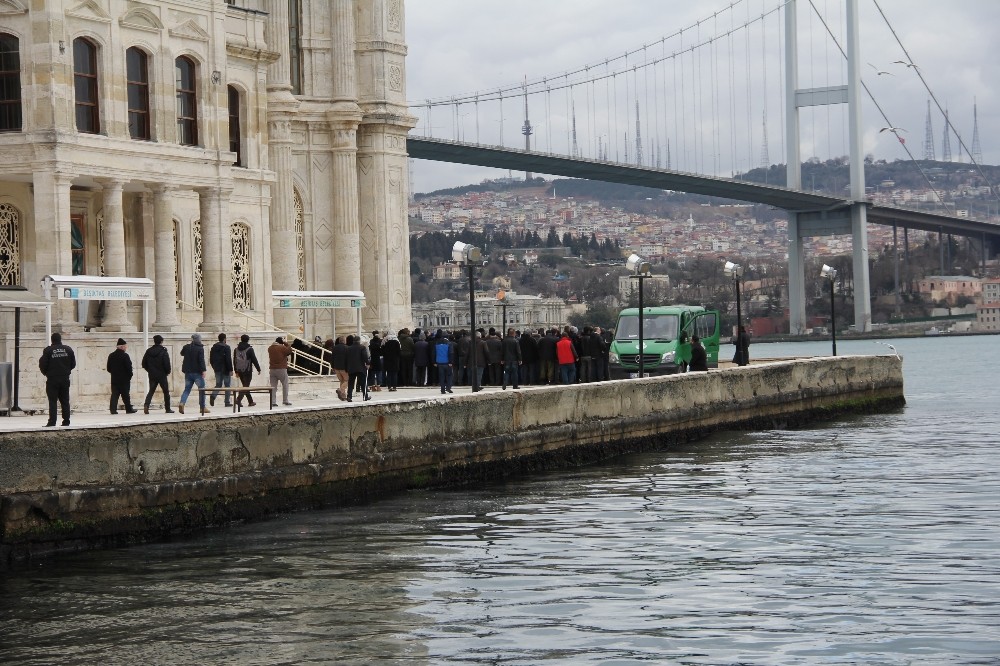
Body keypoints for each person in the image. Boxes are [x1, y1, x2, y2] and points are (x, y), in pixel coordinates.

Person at [39, 331, 76, 427]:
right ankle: (66, 421)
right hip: (64, 378)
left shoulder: (48, 350)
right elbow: (73, 364)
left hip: (52, 379)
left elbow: (43, 364)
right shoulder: (68, 349)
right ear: (60, 339)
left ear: (52, 340)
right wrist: (66, 371)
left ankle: (52, 422)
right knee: (65, 400)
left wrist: (46, 373)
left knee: (52, 401)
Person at [141, 334, 173, 414]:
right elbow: (166, 364)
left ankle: (146, 405)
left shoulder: (149, 351)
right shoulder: (163, 351)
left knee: (151, 391)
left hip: (152, 374)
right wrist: (167, 372)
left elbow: (143, 363)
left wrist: (149, 370)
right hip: (162, 375)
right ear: (161, 341)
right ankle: (168, 408)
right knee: (166, 392)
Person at [105, 338, 137, 415]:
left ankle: (113, 410)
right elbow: (129, 368)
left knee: (115, 394)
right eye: (125, 346)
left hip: (114, 378)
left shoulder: (111, 355)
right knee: (125, 394)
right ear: (122, 347)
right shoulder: (125, 356)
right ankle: (128, 409)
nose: (126, 348)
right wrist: (129, 376)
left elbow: (108, 368)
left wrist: (114, 373)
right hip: (124, 379)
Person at [178, 333, 208, 415]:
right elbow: (201, 360)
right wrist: (204, 370)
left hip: (188, 372)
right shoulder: (200, 348)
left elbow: (182, 353)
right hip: (197, 372)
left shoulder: (187, 347)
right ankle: (202, 407)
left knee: (187, 389)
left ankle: (182, 402)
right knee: (202, 390)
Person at [233, 334, 262, 407]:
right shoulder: (250, 349)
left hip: (239, 370)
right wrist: (258, 369)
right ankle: (238, 399)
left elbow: (234, 360)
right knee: (246, 386)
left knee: (245, 386)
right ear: (248, 340)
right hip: (247, 370)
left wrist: (236, 371)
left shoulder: (236, 349)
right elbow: (254, 359)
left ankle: (250, 401)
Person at [209, 333, 234, 407]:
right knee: (227, 385)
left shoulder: (214, 347)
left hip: (217, 369)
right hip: (225, 369)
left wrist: (214, 367)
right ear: (224, 339)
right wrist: (231, 369)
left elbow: (211, 359)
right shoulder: (226, 347)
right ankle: (227, 402)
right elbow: (228, 359)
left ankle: (213, 396)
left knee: (218, 384)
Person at [268, 336, 293, 406]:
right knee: (285, 385)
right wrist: (286, 343)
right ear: (281, 342)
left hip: (272, 369)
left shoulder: (270, 348)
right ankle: (285, 400)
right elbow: (290, 351)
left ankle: (273, 402)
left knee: (273, 387)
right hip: (281, 369)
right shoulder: (282, 347)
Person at [346, 334, 371, 402]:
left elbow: (346, 359)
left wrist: (347, 368)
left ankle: (349, 396)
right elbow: (365, 356)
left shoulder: (348, 348)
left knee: (351, 383)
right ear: (359, 341)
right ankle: (365, 396)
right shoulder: (362, 347)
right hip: (360, 368)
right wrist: (368, 363)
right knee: (363, 383)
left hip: (351, 368)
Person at [332, 336, 350, 400]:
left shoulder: (334, 348)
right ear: (344, 341)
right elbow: (348, 359)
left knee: (341, 381)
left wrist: (332, 367)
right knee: (347, 380)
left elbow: (332, 358)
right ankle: (340, 390)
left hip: (336, 367)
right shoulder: (347, 348)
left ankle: (343, 395)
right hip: (344, 368)